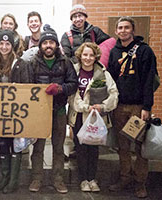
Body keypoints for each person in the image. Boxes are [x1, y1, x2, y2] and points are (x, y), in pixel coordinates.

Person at [107, 16, 157, 198]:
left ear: (133, 30)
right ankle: (125, 177)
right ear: (116, 31)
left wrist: (147, 106)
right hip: (119, 107)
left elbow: (149, 80)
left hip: (138, 108)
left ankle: (140, 183)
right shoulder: (114, 52)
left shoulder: (145, 51)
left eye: (127, 27)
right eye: (120, 28)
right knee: (122, 146)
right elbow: (110, 80)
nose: (123, 30)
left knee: (139, 147)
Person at [28, 27, 78, 193]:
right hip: (39, 113)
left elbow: (73, 84)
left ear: (56, 45)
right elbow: (27, 87)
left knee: (58, 148)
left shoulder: (65, 62)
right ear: (41, 45)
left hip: (59, 111)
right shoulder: (32, 63)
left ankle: (58, 180)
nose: (48, 45)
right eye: (45, 42)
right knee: (38, 147)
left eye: (51, 42)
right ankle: (36, 179)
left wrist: (60, 88)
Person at [67, 42, 118, 192]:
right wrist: (84, 107)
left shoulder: (103, 74)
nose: (88, 58)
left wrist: (103, 106)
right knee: (81, 149)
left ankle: (92, 179)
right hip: (78, 116)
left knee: (93, 150)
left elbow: (114, 94)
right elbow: (71, 95)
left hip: (97, 118)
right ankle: (83, 179)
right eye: (85, 55)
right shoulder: (73, 72)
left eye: (91, 55)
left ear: (96, 56)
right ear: (80, 56)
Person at [0, 30, 30, 194]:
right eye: (1, 44)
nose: (4, 47)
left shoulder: (20, 63)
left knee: (16, 145)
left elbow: (26, 86)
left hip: (16, 112)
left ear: (12, 46)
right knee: (3, 143)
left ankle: (13, 180)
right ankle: (5, 176)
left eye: (7, 44)